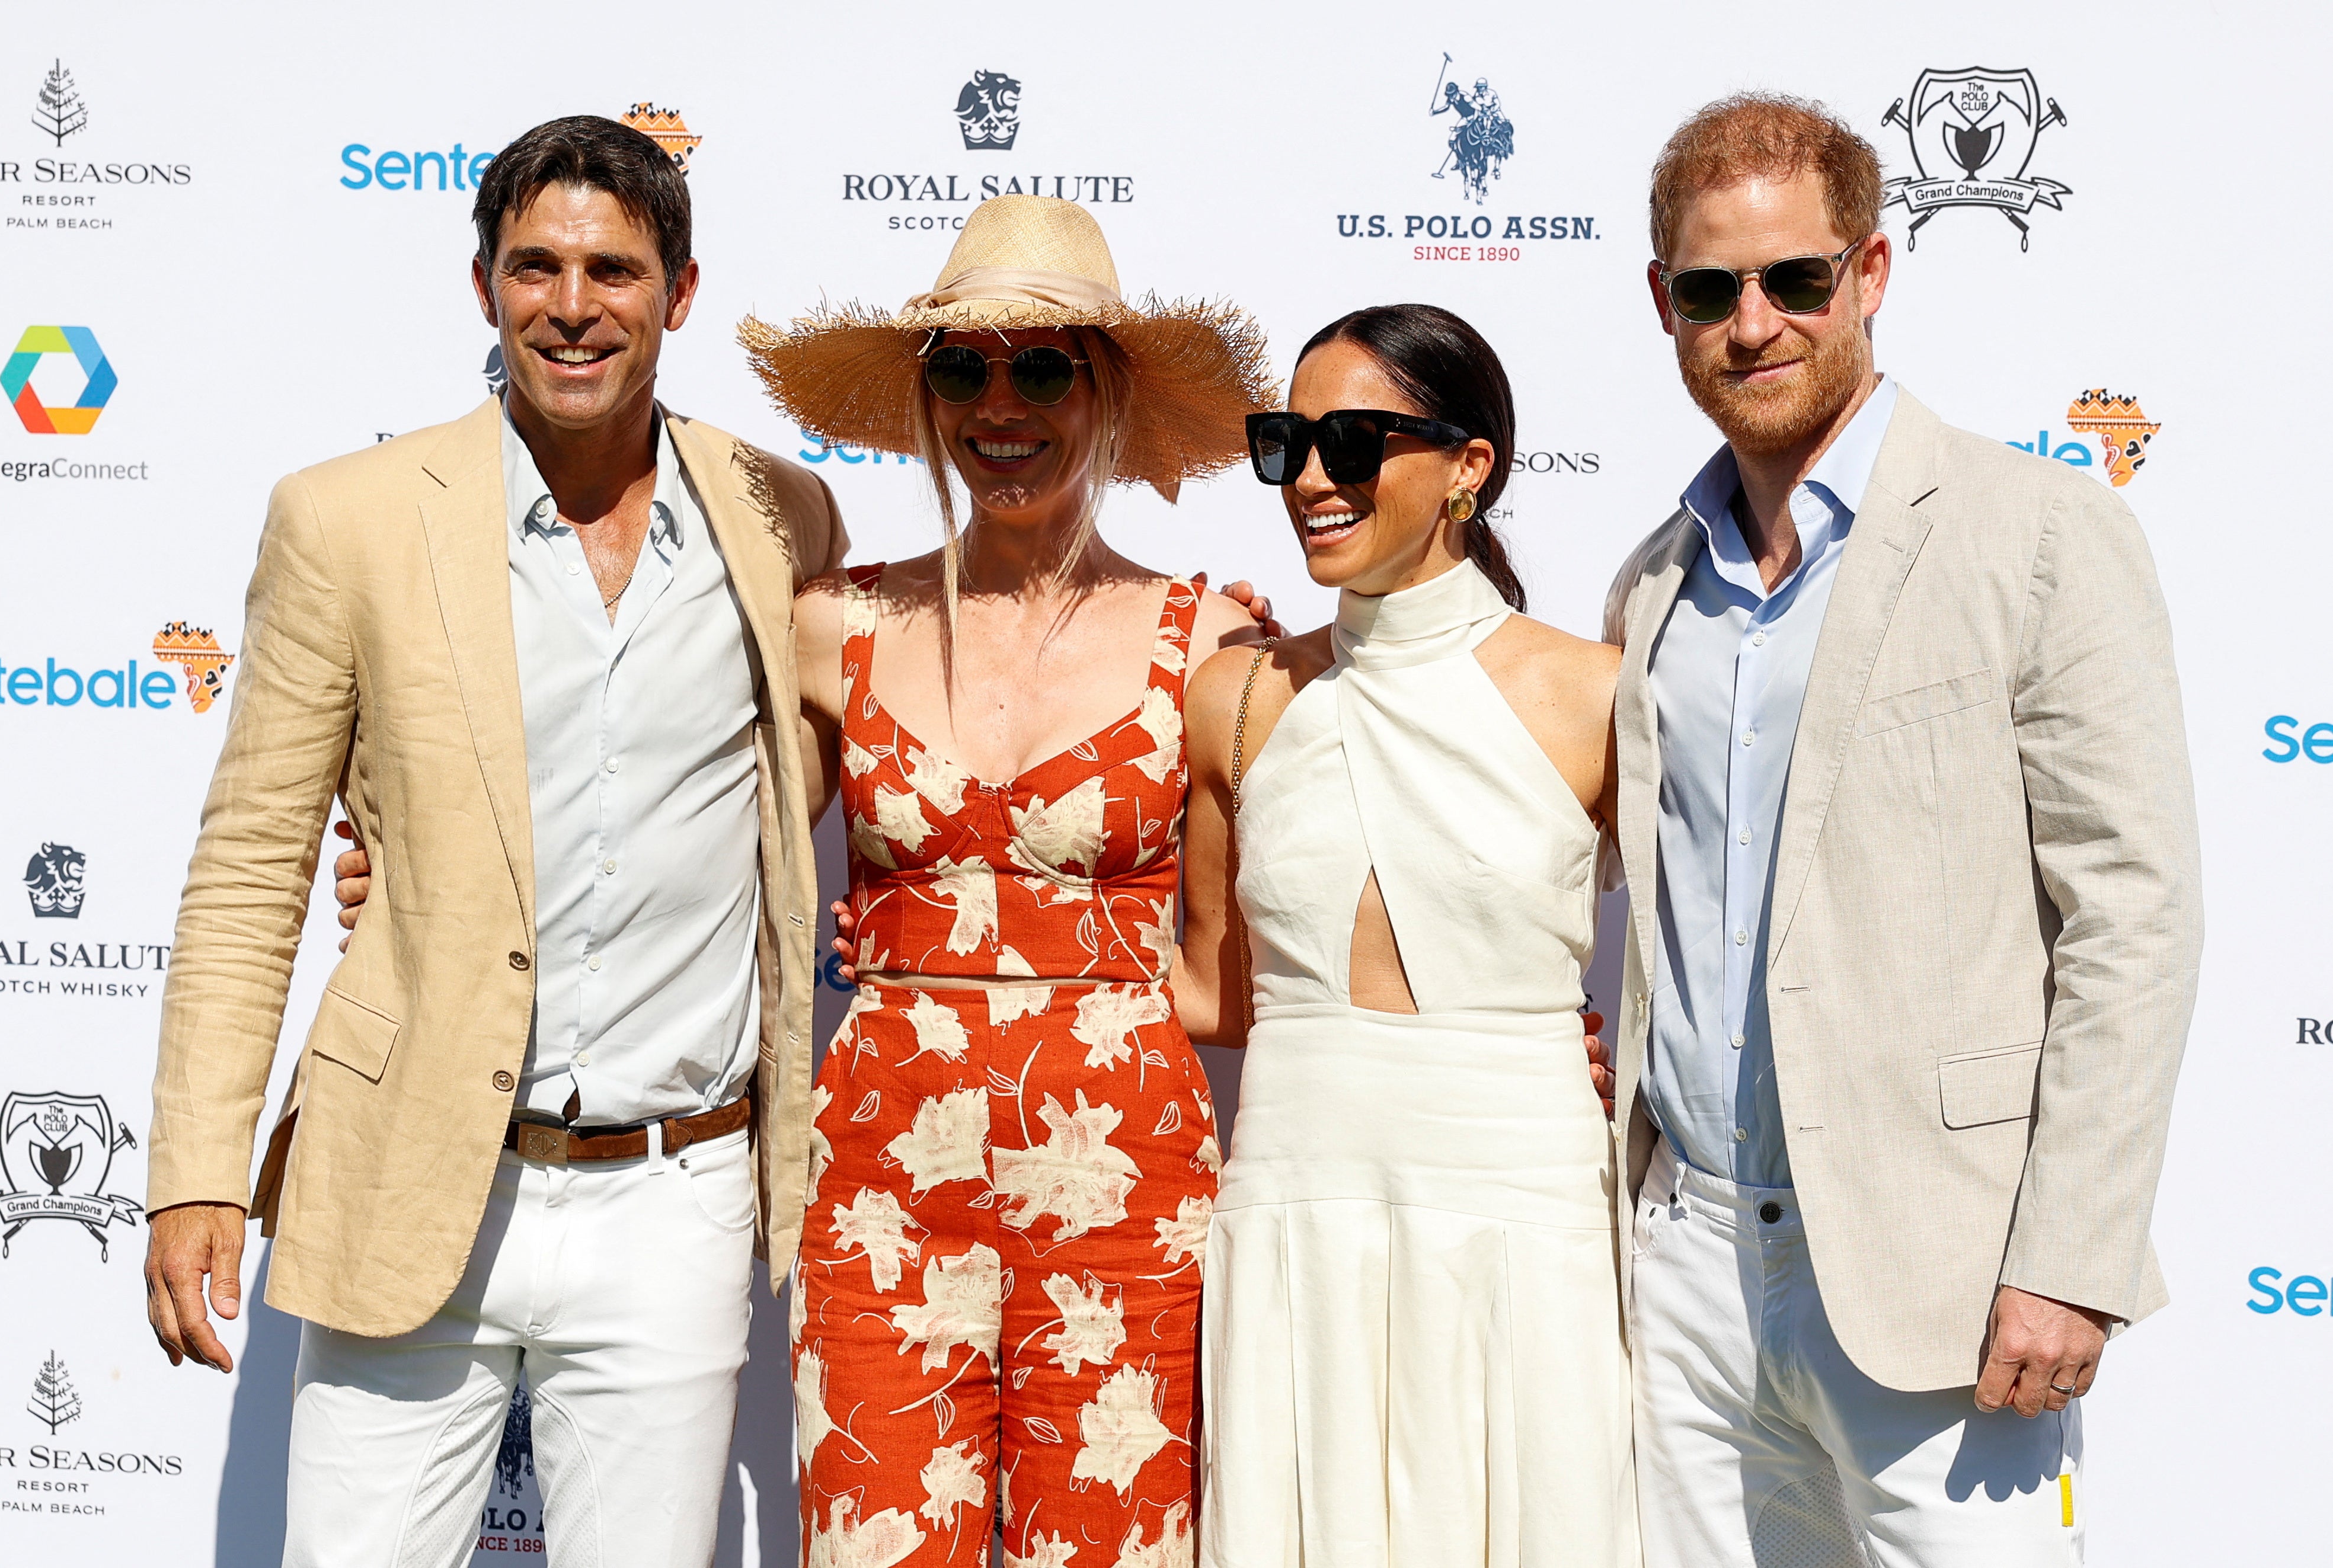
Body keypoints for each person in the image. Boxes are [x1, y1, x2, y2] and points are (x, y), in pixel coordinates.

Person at [141, 115, 847, 1567]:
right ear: (483, 287)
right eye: (534, 267)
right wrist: (198, 1167)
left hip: (678, 1192)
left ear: (682, 292)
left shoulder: (785, 516)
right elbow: (250, 864)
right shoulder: (345, 521)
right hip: (413, 1173)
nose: (572, 305)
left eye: (613, 269)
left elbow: (806, 796)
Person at [1605, 94, 2201, 1565]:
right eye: (1709, 290)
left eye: (1794, 281)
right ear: (1662, 305)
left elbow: (2130, 916)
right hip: (1682, 1270)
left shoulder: (2037, 532)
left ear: (1867, 275)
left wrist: (2068, 1262)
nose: (1753, 325)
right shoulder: (1648, 586)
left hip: (1939, 1273)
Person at [747, 195, 1271, 1567]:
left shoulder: (1206, 637)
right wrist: (431, 868)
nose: (1000, 405)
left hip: (1129, 1189)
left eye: (1041, 367)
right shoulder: (830, 628)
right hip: (878, 1184)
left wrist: (1506, 1024)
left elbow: (1316, 885)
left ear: (1103, 393)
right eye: (960, 368)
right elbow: (694, 857)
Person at [1178, 303, 1638, 1567]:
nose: (1312, 480)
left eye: (1354, 442)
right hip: (1294, 1190)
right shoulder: (1235, 694)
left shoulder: (1595, 694)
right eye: (1287, 444)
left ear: (1468, 468)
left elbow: (1703, 964)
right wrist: (949, 936)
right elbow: (1207, 991)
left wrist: (1620, 1060)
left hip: (1521, 1196)